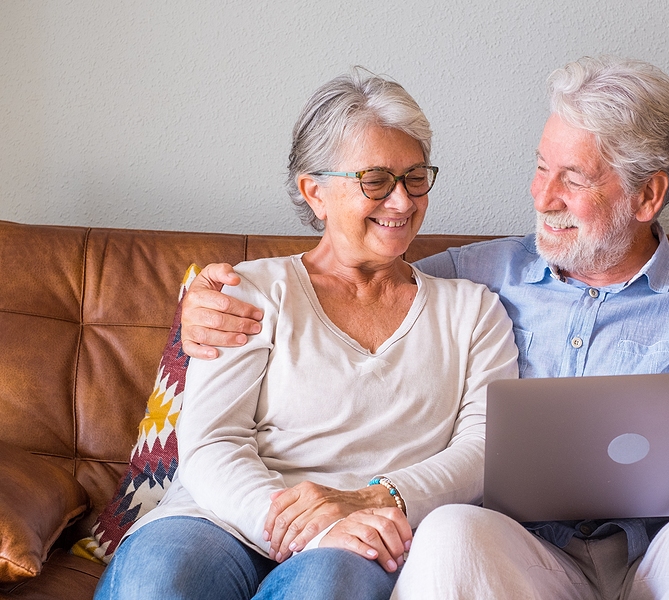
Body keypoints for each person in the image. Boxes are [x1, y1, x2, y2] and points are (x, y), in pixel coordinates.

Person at [179, 56, 669, 599]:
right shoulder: (471, 275)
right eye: (542, 166)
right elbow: (355, 288)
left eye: (573, 178)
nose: (542, 195)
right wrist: (202, 301)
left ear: (648, 196)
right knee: (449, 532)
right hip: (525, 556)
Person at [93, 70, 518, 600]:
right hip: (220, 518)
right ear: (314, 191)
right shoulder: (250, 291)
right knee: (158, 582)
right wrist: (301, 521)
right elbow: (212, 442)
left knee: (326, 586)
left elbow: (484, 449)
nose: (403, 202)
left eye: (415, 177)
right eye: (376, 181)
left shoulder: (472, 311)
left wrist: (377, 499)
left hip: (364, 536)